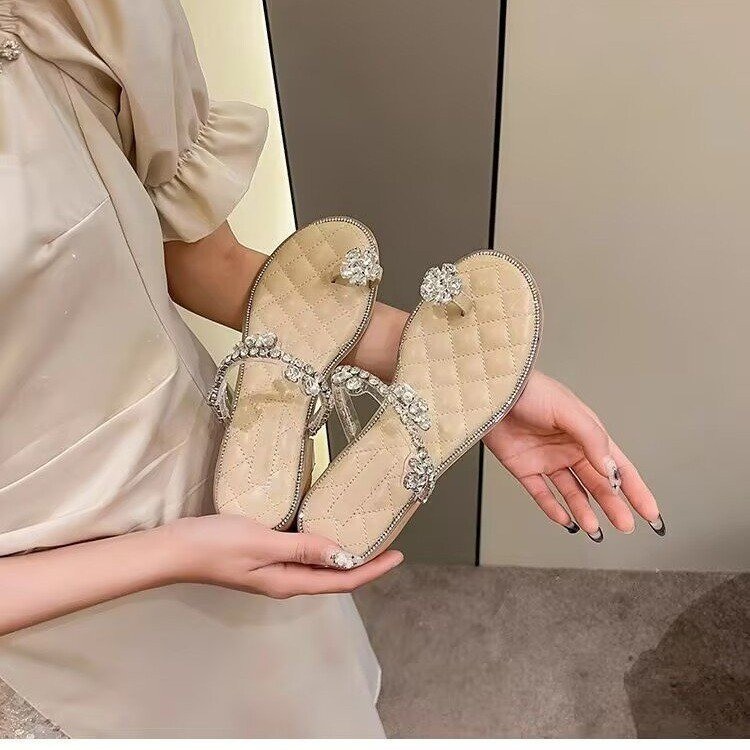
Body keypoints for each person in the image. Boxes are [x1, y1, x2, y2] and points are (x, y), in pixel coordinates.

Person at [0, 0, 662, 739]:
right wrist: (173, 554)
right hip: (49, 607)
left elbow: (200, 261)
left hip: (217, 486)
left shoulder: (78, 12)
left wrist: (455, 369)